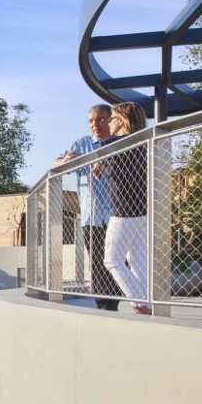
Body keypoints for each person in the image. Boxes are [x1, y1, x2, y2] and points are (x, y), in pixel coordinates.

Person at [54, 104, 121, 311]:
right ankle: (104, 306)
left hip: (117, 215)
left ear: (111, 120)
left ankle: (116, 302)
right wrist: (65, 161)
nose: (95, 124)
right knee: (98, 265)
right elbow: (55, 163)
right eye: (91, 121)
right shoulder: (81, 144)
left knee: (117, 263)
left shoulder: (122, 142)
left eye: (100, 119)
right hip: (91, 217)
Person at [100, 101, 151, 315]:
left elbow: (103, 149)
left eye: (111, 118)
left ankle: (141, 305)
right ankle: (149, 305)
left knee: (112, 259)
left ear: (120, 121)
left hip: (124, 210)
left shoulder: (113, 143)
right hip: (142, 210)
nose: (108, 123)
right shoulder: (143, 143)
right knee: (135, 260)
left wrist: (97, 162)